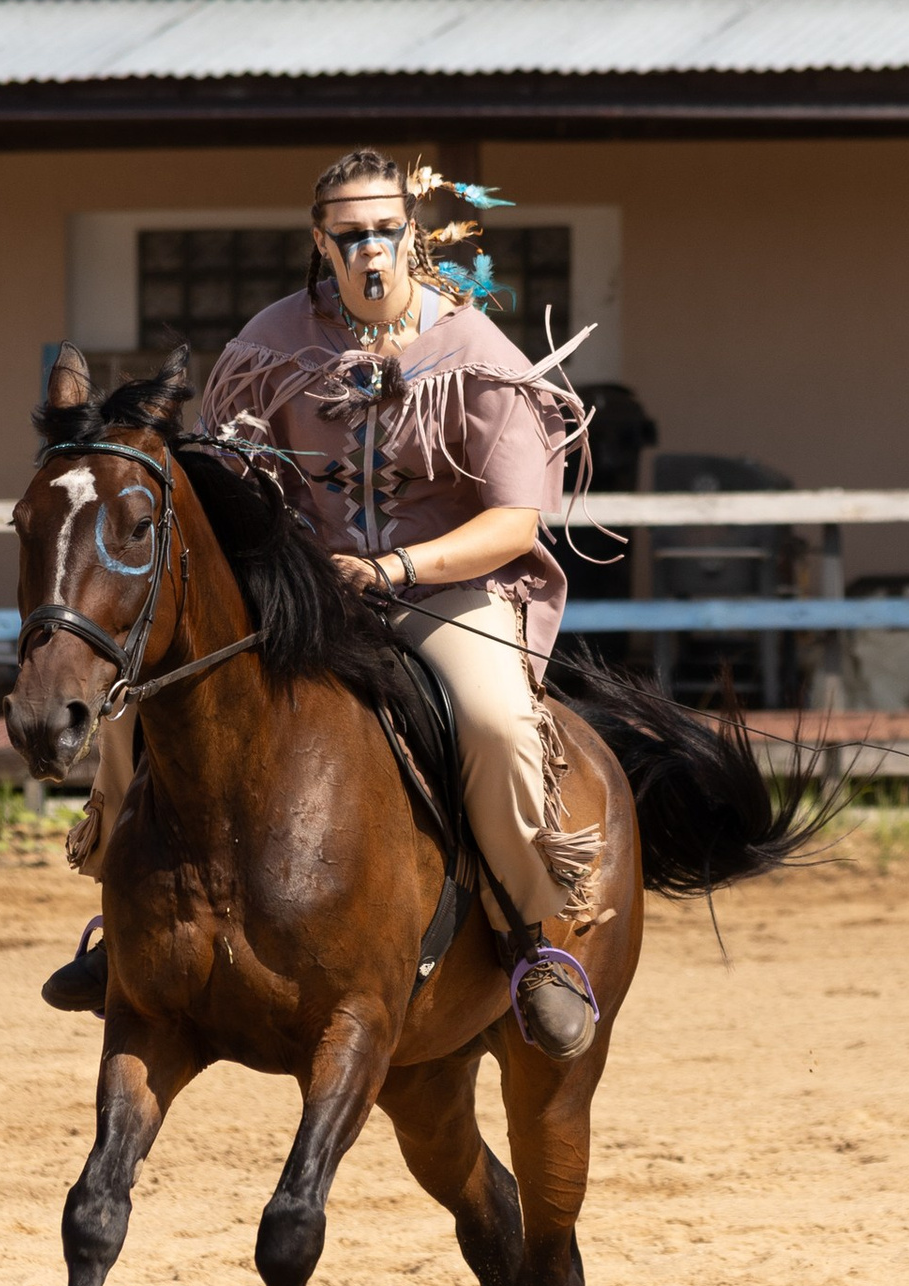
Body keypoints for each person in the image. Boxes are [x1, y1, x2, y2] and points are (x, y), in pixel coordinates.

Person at [48, 147, 604, 1058]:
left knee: (498, 724)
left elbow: (512, 526)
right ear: (321, 240)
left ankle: (530, 941)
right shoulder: (269, 347)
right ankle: (122, 918)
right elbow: (227, 482)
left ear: (412, 236)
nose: (370, 250)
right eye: (350, 234)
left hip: (446, 591)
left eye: (387, 230)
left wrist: (396, 570)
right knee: (136, 693)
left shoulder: (477, 354)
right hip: (304, 596)